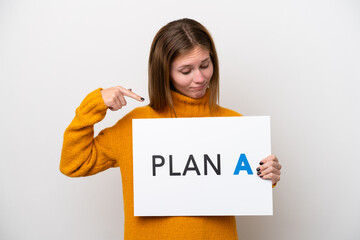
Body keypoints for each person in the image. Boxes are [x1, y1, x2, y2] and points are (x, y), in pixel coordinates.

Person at [60, 18, 282, 240]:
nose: (200, 78)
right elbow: (73, 163)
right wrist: (95, 103)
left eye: (205, 65)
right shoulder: (135, 126)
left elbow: (246, 187)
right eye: (186, 70)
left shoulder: (235, 124)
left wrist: (266, 175)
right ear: (164, 72)